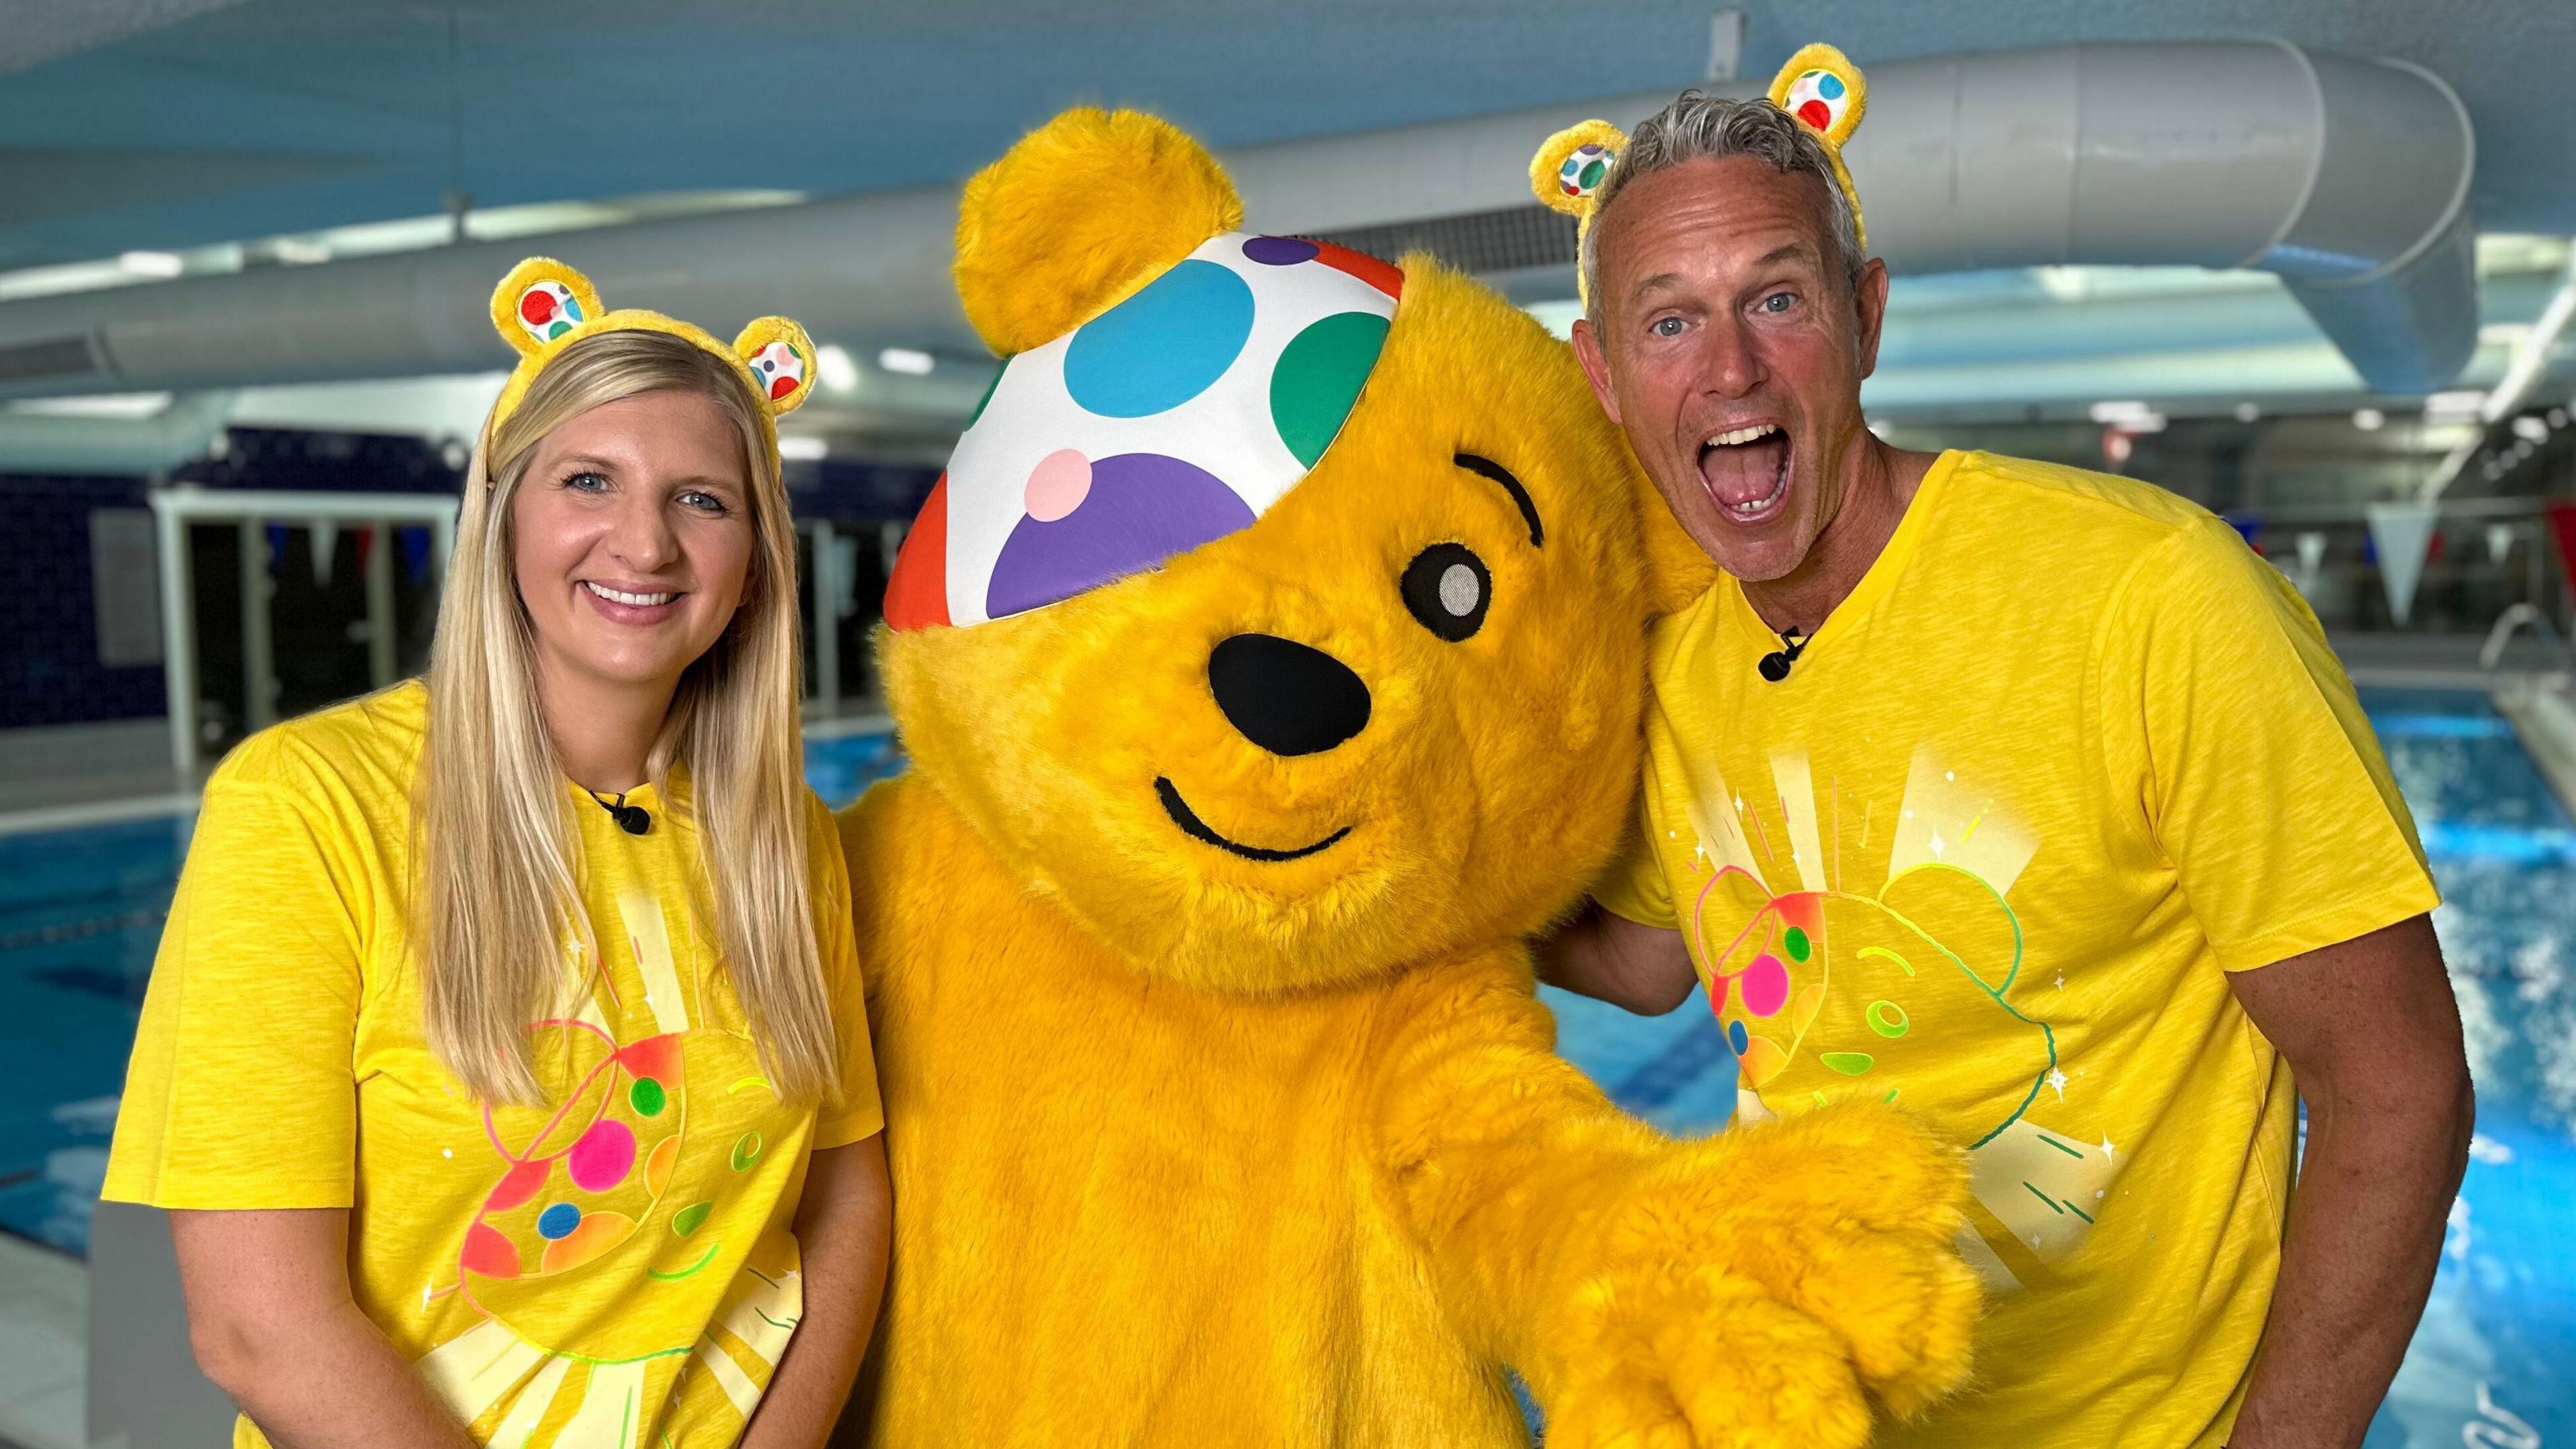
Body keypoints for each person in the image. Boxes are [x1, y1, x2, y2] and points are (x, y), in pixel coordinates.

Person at [1533, 47, 2475, 1449]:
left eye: (1776, 299)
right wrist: (1387, 894)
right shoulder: (1682, 670)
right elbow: (1652, 959)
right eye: (1668, 322)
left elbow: (2398, 1089)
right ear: (1603, 375)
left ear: (1865, 316)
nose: (1727, 366)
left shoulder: (2149, 597)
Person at [101, 258, 888, 1449]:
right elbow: (257, 1324)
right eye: (589, 480)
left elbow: (844, 1196)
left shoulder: (785, 844)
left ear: (757, 560)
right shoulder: (309, 807)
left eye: (702, 500)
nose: (646, 544)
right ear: (507, 512)